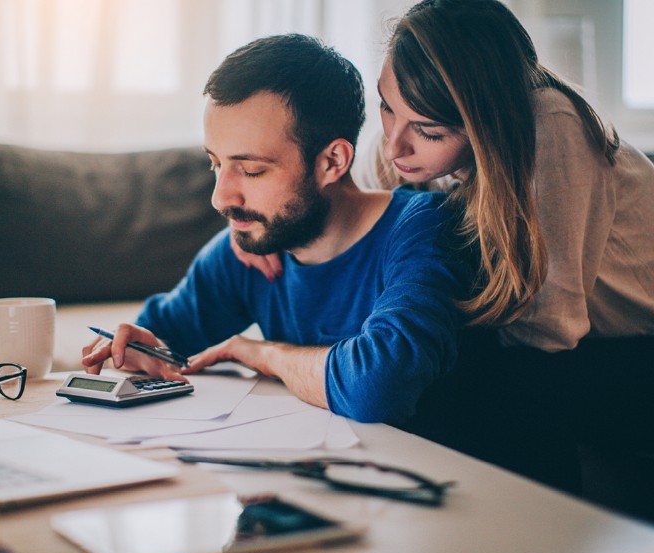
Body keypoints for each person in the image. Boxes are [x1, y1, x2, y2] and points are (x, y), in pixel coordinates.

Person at [234, 0, 654, 494]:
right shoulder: (405, 135)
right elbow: (343, 202)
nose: (394, 146)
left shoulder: (550, 128)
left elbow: (550, 327)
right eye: (388, 107)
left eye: (429, 132)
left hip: (628, 344)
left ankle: (534, 542)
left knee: (465, 377)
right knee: (408, 359)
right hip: (560, 342)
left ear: (485, 123)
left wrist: (405, 336)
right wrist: (264, 231)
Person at [82, 33, 473, 425]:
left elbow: (379, 388)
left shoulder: (426, 229)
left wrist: (264, 353)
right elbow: (161, 335)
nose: (220, 198)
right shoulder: (252, 247)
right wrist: (138, 347)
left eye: (252, 170)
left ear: (332, 162)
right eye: (215, 164)